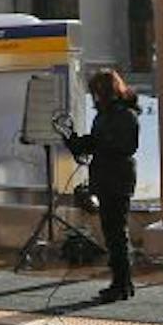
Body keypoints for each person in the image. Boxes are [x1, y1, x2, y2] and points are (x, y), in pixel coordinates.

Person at [65, 69, 140, 301]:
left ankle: (122, 284)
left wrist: (97, 145)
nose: (94, 97)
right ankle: (121, 282)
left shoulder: (125, 114)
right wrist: (74, 141)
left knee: (117, 233)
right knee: (112, 232)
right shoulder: (105, 115)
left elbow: (126, 146)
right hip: (107, 177)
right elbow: (96, 142)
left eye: (97, 92)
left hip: (117, 178)